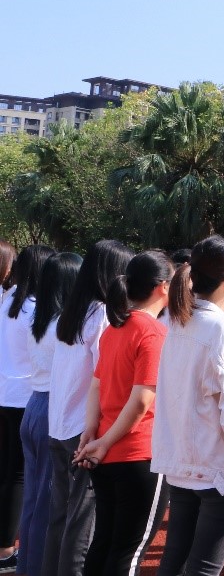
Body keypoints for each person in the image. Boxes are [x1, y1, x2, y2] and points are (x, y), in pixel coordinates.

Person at [151, 236, 224, 576]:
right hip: (218, 470)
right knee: (202, 568)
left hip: (182, 463)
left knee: (174, 563)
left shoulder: (177, 321)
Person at [74, 250, 172, 575]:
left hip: (107, 449)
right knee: (127, 552)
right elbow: (142, 399)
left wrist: (93, 433)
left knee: (105, 543)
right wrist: (100, 440)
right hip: (138, 452)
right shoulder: (153, 332)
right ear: (162, 287)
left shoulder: (115, 328)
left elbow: (96, 385)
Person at [46, 240, 134, 576]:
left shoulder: (71, 312)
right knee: (82, 520)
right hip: (84, 428)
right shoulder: (103, 317)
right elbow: (104, 378)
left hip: (60, 424)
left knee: (61, 515)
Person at [19, 251, 82, 576]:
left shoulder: (38, 319)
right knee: (48, 501)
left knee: (34, 498)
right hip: (51, 410)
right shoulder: (63, 324)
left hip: (34, 406)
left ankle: (28, 566)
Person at [0, 244, 54, 573]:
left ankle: (6, 547)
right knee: (21, 476)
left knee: (8, 473)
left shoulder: (8, 299)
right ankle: (7, 549)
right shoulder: (34, 307)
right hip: (25, 396)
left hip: (6, 394)